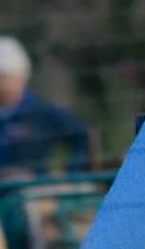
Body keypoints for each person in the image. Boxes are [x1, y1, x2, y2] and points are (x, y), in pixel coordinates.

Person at [0, 36, 90, 249]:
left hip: (31, 194)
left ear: (21, 77)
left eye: (4, 77)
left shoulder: (40, 113)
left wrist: (70, 175)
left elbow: (80, 136)